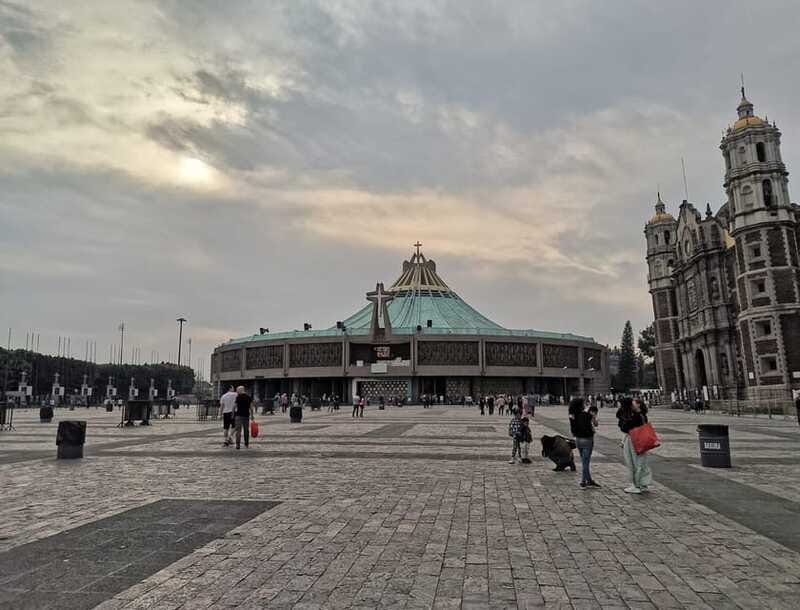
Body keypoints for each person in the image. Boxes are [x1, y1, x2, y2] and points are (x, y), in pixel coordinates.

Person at [616, 397, 653, 494]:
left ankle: (635, 485)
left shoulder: (635, 416)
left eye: (634, 403)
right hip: (642, 440)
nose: (633, 404)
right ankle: (643, 484)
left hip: (634, 440)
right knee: (641, 462)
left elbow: (625, 428)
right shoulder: (642, 415)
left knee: (633, 462)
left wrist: (622, 418)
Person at [569, 398, 600, 489]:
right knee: (585, 463)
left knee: (584, 461)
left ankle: (589, 480)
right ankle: (583, 481)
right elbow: (595, 424)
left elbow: (573, 428)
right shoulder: (586, 415)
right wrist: (593, 416)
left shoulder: (572, 415)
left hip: (578, 440)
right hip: (587, 440)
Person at [234, 385, 255, 450]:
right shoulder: (249, 397)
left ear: (241, 390)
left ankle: (238, 445)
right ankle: (246, 443)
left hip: (238, 415)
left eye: (237, 390)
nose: (237, 392)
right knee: (246, 430)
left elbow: (234, 406)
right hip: (246, 415)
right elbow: (251, 408)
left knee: (238, 431)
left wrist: (232, 414)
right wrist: (252, 415)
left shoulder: (238, 397)